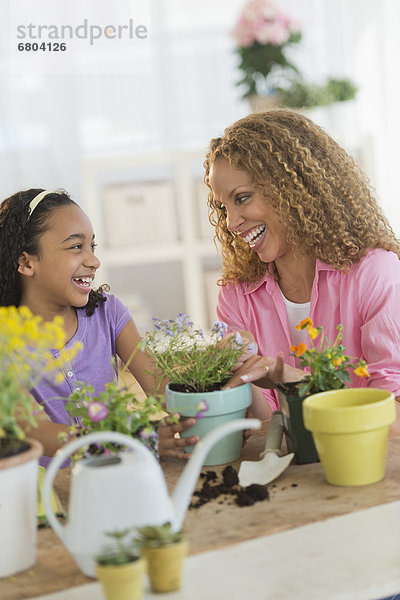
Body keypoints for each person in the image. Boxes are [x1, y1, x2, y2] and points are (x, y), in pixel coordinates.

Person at [204, 109, 400, 432]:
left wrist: (302, 386)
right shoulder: (237, 294)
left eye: (242, 198)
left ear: (291, 188)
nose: (230, 222)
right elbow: (265, 432)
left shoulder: (375, 273)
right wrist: (243, 377)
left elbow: (392, 409)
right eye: (223, 206)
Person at [0, 188, 199, 463]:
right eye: (75, 246)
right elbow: (38, 430)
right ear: (25, 262)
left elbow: (160, 386)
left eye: (92, 246)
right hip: (55, 494)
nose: (94, 261)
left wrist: (214, 401)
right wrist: (132, 439)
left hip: (117, 475)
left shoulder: (108, 312)